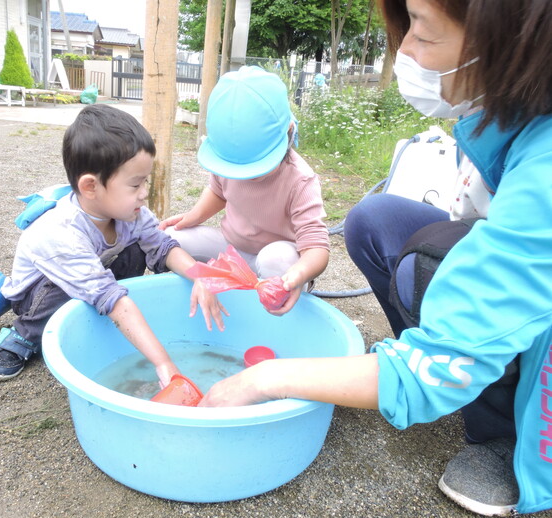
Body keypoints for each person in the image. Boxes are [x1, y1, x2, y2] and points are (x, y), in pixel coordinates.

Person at [199, 0, 552, 515]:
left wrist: (257, 379)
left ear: (513, 42)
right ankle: (438, 366)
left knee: (422, 269)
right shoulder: (508, 119)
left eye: (424, 33)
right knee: (373, 219)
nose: (404, 48)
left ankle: (505, 435)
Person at [0, 104, 226, 383]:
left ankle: (115, 318)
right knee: (75, 292)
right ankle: (22, 337)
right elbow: (109, 296)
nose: (144, 194)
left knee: (135, 249)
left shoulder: (129, 214)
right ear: (90, 187)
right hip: (40, 293)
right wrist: (164, 363)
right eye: (135, 185)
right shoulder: (61, 234)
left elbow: (161, 245)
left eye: (145, 182)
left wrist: (199, 276)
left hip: (97, 275)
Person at [159, 66, 330, 315]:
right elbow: (219, 192)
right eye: (237, 169)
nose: (245, 176)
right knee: (171, 239)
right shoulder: (229, 156)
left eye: (256, 167)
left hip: (274, 257)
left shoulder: (300, 180)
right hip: (232, 248)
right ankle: (189, 303)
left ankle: (269, 312)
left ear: (289, 133)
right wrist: (193, 217)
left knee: (278, 261)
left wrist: (299, 274)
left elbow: (316, 247)